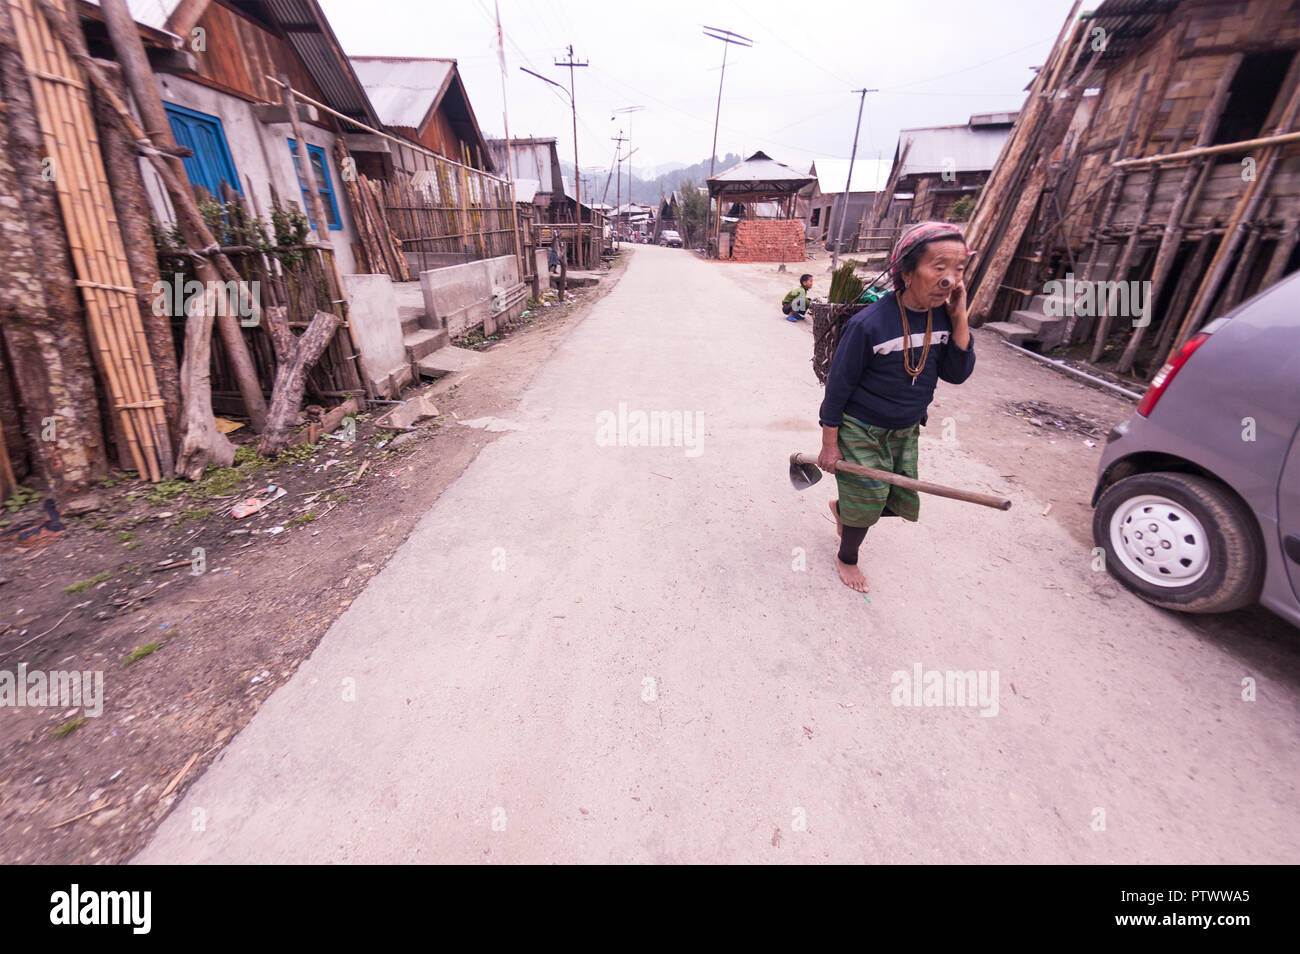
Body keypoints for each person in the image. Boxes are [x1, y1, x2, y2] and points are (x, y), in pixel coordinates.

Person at [817, 222, 977, 592]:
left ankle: (844, 510)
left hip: (905, 428)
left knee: (891, 495)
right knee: (870, 497)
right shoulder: (868, 325)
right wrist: (830, 442)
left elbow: (956, 374)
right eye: (939, 268)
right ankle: (847, 557)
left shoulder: (945, 319)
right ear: (906, 272)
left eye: (959, 270)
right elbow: (838, 387)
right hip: (860, 427)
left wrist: (960, 319)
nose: (950, 280)